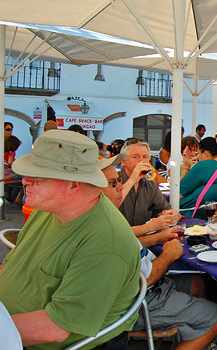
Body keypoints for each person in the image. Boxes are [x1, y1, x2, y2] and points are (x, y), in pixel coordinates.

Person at [0, 130, 140, 349]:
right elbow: (14, 266)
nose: (25, 180)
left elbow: (55, 327)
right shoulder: (47, 208)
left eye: (38, 175)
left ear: (74, 184)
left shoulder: (105, 240)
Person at [97, 156, 217, 349]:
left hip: (148, 287)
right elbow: (145, 280)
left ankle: (194, 335)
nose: (119, 186)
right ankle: (200, 327)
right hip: (137, 302)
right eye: (113, 183)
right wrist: (168, 255)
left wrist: (158, 238)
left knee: (197, 283)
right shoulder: (104, 227)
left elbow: (132, 241)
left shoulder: (106, 215)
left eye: (118, 181)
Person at [118, 139, 179, 227]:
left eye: (145, 157)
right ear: (123, 162)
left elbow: (163, 209)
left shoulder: (150, 184)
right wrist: (132, 180)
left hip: (143, 237)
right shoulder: (113, 181)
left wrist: (171, 214)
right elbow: (109, 206)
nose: (141, 161)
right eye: (135, 157)